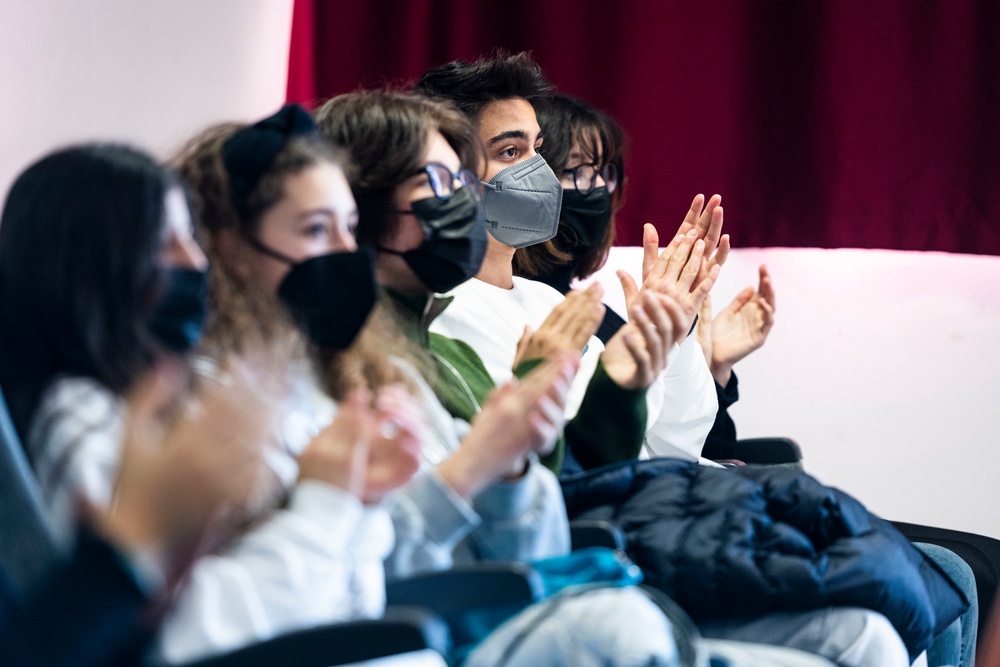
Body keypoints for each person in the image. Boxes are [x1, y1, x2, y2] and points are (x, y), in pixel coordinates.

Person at [0, 144, 276, 665]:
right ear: (82, 265)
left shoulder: (116, 398)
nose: (195, 261)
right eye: (161, 243)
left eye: (190, 237)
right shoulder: (78, 412)